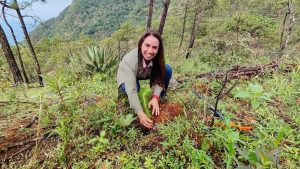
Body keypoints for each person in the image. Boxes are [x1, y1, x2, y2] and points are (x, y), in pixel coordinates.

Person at [117, 30, 172, 129]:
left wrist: (155, 97)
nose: (150, 51)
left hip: (146, 72)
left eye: (154, 47)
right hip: (129, 75)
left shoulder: (157, 58)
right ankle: (127, 105)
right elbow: (131, 90)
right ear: (141, 45)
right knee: (131, 89)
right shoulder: (129, 61)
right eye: (147, 45)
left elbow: (159, 77)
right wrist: (140, 113)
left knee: (167, 69)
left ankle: (160, 98)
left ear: (159, 49)